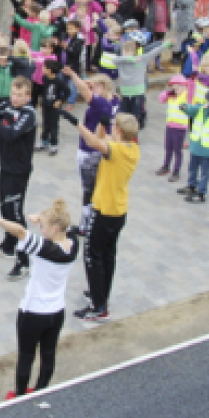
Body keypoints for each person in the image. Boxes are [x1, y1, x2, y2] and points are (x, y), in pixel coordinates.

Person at [0, 199, 79, 398]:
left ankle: (20, 395)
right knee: (48, 353)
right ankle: (41, 389)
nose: (41, 230)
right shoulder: (73, 244)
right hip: (57, 311)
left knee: (26, 356)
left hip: (34, 312)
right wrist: (43, 217)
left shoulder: (43, 248)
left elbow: (19, 231)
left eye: (43, 227)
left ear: (54, 228)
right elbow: (68, 228)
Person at [74, 112, 140, 322]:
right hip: (119, 211)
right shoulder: (132, 149)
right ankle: (101, 294)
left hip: (103, 210)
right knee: (108, 255)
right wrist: (102, 124)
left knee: (92, 256)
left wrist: (77, 123)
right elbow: (101, 139)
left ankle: (97, 305)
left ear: (119, 130)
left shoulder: (116, 150)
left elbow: (93, 141)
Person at [0, 77, 38, 279]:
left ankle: (24, 261)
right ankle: (9, 245)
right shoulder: (7, 104)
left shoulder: (29, 114)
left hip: (18, 170)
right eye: (13, 93)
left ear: (28, 96)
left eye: (20, 95)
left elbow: (9, 134)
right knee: (4, 208)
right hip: (5, 166)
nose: (15, 98)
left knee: (15, 213)